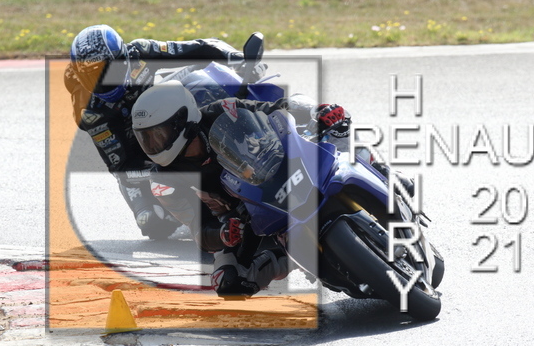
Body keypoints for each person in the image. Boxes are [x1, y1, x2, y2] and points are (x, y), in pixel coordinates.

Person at [130, 81, 351, 297]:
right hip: (243, 219)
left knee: (326, 121)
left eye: (158, 134)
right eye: (145, 138)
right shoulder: (163, 180)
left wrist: (314, 112)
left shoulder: (224, 111)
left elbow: (274, 109)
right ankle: (295, 258)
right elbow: (198, 228)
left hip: (279, 172)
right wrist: (223, 234)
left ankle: (363, 170)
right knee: (228, 281)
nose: (153, 144)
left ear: (181, 121)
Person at [64, 24, 263, 239]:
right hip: (139, 152)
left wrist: (237, 59)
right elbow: (122, 167)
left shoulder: (139, 52)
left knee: (202, 82)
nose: (104, 82)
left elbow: (201, 46)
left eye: (110, 70)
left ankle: (254, 131)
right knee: (152, 222)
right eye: (93, 77)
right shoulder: (91, 113)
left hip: (160, 114)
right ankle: (204, 215)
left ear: (124, 58)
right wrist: (174, 170)